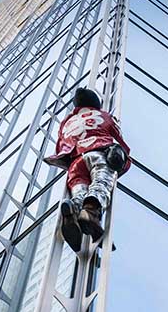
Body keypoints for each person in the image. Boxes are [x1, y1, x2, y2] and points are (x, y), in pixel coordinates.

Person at [44, 87, 131, 252]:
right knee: (101, 182)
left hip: (76, 162)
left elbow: (61, 147)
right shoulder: (103, 116)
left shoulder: (67, 124)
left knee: (79, 191)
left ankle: (72, 213)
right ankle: (90, 212)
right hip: (98, 153)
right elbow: (119, 140)